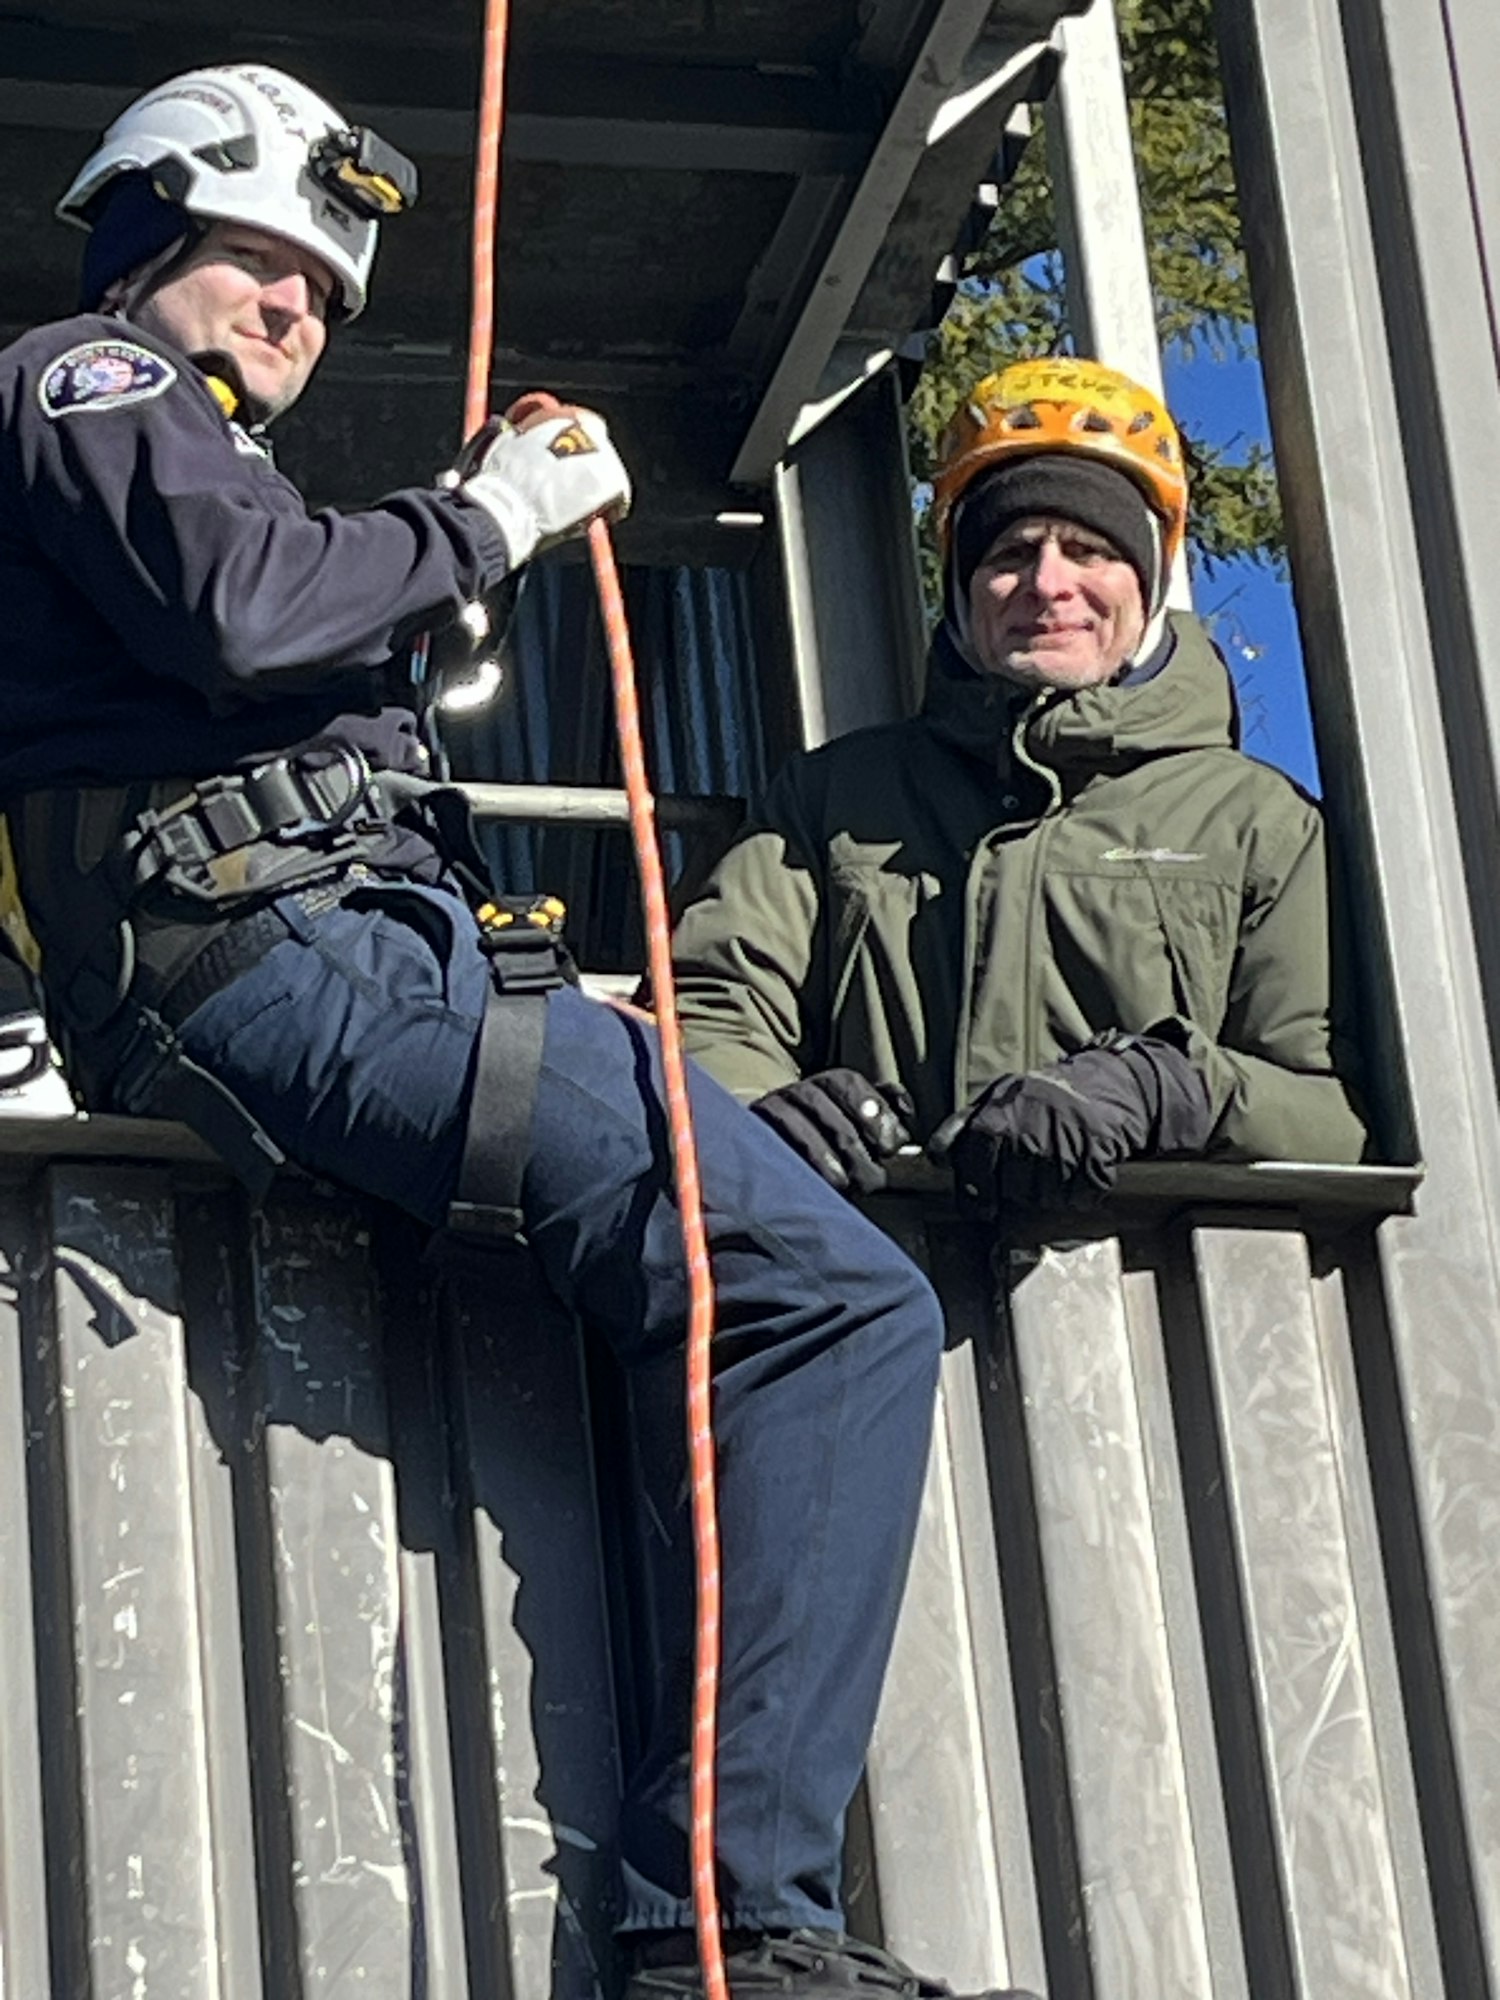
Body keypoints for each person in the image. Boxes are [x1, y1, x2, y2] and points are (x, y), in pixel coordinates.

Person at [0, 63, 1042, 2000]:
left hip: (352, 951)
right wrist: (480, 518)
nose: (296, 306)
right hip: (287, 954)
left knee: (757, 1289)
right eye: (258, 260)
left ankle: (716, 1906)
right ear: (147, 235)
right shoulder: (94, 379)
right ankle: (727, 1924)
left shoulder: (186, 459)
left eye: (323, 291)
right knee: (832, 1302)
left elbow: (261, 629)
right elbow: (242, 609)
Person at [669, 357, 1368, 1207]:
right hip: (878, 1270)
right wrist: (762, 1110)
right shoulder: (831, 799)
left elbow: (1336, 1115)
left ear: (1146, 585)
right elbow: (714, 1008)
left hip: (1159, 1278)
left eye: (1090, 550)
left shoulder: (1260, 825)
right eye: (1010, 553)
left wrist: (1166, 1089)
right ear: (963, 589)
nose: (1047, 584)